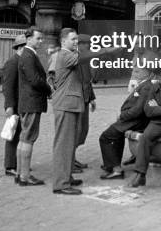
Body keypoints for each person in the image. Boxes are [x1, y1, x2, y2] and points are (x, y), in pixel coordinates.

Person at [48, 28, 84, 195]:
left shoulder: (63, 55)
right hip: (66, 105)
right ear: (63, 41)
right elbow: (87, 56)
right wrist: (111, 48)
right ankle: (61, 184)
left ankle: (66, 177)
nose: (76, 42)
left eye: (77, 39)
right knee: (63, 145)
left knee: (69, 144)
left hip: (69, 104)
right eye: (73, 39)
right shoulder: (64, 55)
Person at [16, 27, 51, 186]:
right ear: (28, 39)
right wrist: (49, 89)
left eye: (41, 38)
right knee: (29, 138)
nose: (41, 41)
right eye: (38, 38)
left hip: (27, 101)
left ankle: (19, 173)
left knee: (24, 138)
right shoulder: (29, 55)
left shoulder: (27, 54)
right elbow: (35, 80)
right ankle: (25, 176)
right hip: (32, 102)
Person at [99, 76, 153, 180]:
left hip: (134, 120)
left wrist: (122, 115)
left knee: (106, 137)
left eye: (137, 69)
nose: (135, 72)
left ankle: (116, 170)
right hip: (133, 119)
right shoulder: (146, 83)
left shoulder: (148, 86)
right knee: (116, 136)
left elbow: (138, 110)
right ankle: (112, 164)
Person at [2, 34, 26, 177]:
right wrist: (9, 106)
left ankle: (19, 164)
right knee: (12, 135)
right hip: (15, 105)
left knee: (21, 135)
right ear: (20, 47)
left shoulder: (22, 61)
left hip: (22, 104)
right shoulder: (12, 62)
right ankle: (10, 166)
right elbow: (7, 86)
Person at [73, 34, 96, 172]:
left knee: (83, 130)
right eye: (86, 43)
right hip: (77, 100)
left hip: (85, 99)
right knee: (76, 131)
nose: (89, 46)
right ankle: (69, 162)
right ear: (79, 44)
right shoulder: (75, 58)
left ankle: (73, 158)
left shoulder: (86, 58)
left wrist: (92, 98)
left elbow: (88, 81)